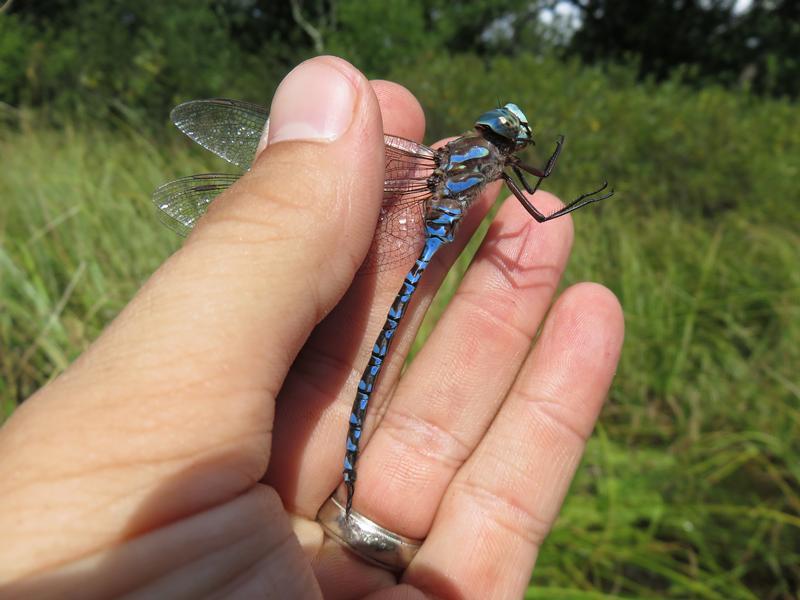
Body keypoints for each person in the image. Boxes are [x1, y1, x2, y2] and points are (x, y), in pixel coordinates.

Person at [0, 56, 623, 598]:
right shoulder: (480, 160)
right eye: (505, 130)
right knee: (388, 345)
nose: (506, 137)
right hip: (427, 227)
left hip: (429, 225)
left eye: (509, 132)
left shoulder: (472, 155)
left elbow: (529, 191)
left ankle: (349, 486)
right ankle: (349, 473)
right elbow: (536, 196)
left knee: (388, 343)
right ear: (498, 136)